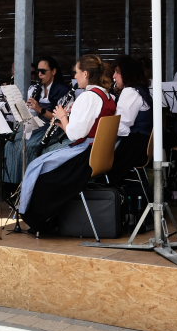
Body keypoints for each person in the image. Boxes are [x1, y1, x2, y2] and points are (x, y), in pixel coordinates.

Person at [17, 54, 117, 234]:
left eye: (77, 72)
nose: (75, 76)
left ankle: (39, 221)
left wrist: (63, 117)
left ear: (86, 74)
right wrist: (64, 120)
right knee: (41, 165)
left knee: (38, 169)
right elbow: (88, 126)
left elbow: (74, 134)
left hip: (84, 156)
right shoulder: (107, 96)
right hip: (97, 153)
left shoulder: (88, 97)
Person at [3, 56, 71, 188]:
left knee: (29, 146)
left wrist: (39, 109)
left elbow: (60, 118)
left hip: (53, 128)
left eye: (43, 71)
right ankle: (11, 185)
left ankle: (28, 185)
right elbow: (31, 113)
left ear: (53, 71)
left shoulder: (62, 90)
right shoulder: (35, 88)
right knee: (10, 145)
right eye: (38, 71)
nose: (39, 74)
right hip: (36, 125)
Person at [110, 55, 153, 184]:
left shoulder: (130, 92)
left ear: (127, 73)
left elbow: (121, 127)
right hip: (141, 144)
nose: (114, 76)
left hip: (134, 148)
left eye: (117, 72)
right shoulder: (141, 89)